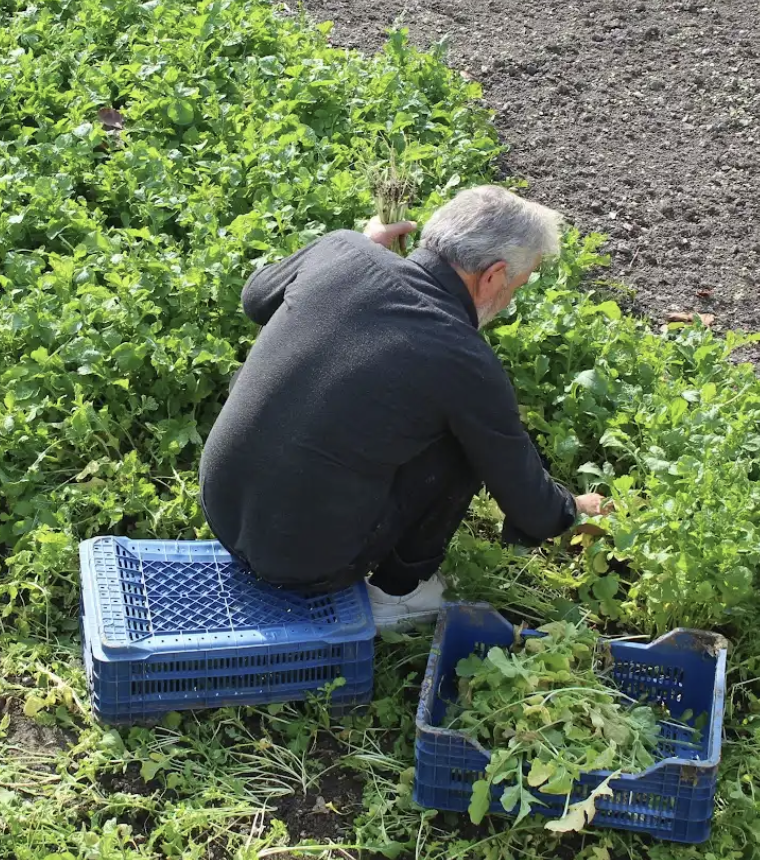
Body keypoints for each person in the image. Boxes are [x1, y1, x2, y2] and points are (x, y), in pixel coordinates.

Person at [199, 185, 606, 629]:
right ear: (492, 276)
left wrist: (360, 245)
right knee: (464, 446)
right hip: (304, 563)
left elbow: (255, 298)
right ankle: (397, 594)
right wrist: (570, 508)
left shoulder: (340, 249)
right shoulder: (463, 358)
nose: (509, 301)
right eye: (516, 287)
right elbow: (530, 504)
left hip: (220, 502)